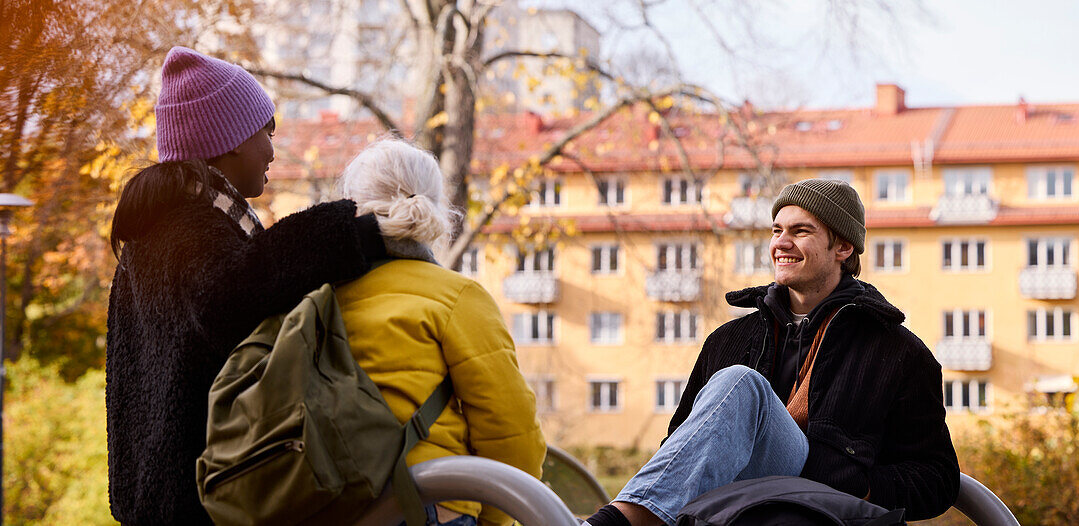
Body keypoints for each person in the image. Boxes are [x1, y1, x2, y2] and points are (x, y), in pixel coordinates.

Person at [106, 47, 389, 525]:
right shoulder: (185, 229)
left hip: (161, 498)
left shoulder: (156, 232)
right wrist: (356, 234)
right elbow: (231, 295)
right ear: (232, 139)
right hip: (195, 499)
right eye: (267, 132)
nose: (273, 151)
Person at [586, 179, 960, 526]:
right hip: (730, 510)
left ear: (843, 247)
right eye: (777, 230)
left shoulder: (897, 352)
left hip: (824, 508)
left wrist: (852, 481)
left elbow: (937, 480)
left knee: (740, 382)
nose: (781, 243)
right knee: (737, 382)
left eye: (800, 231)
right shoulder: (728, 340)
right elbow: (682, 446)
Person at [335, 137, 546, 526]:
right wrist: (497, 520)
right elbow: (512, 432)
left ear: (350, 208)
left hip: (326, 506)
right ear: (435, 204)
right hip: (428, 505)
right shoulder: (457, 297)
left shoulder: (317, 298)